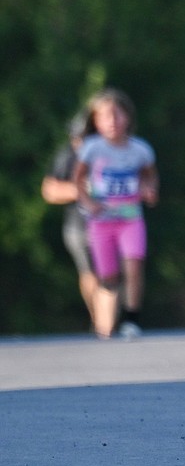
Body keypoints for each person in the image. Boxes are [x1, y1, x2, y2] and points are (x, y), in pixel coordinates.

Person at [72, 88, 159, 339]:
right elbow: (78, 180)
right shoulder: (91, 148)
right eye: (105, 116)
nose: (112, 121)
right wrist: (88, 202)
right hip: (101, 221)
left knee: (134, 265)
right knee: (108, 274)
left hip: (130, 218)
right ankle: (108, 318)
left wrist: (150, 190)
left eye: (117, 115)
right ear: (96, 122)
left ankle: (132, 319)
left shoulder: (140, 150)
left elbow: (150, 177)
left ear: (128, 118)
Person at [41, 112, 99, 329]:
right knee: (90, 271)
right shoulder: (67, 156)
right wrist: (82, 190)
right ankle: (99, 319)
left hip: (111, 221)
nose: (80, 142)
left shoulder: (109, 153)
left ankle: (111, 317)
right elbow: (49, 190)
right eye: (77, 137)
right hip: (79, 224)